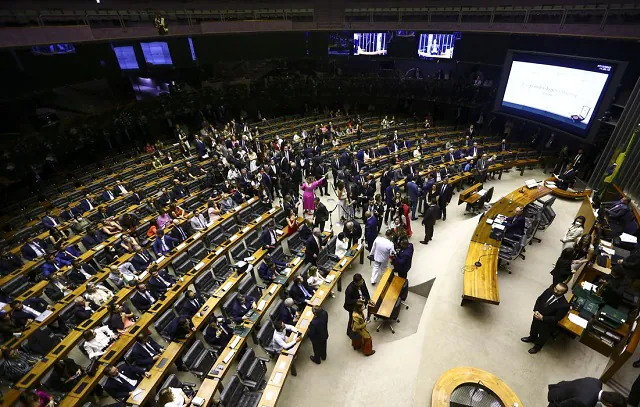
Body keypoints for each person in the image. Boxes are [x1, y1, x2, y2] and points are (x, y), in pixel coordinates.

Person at [521, 282, 569, 354]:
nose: (555, 291)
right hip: (537, 316)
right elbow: (539, 299)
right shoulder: (549, 291)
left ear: (564, 292)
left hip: (547, 324)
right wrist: (536, 310)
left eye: (559, 291)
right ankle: (532, 338)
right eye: (555, 288)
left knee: (542, 336)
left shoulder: (564, 305)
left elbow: (557, 318)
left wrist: (543, 318)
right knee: (533, 329)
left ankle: (537, 347)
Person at [548, 377, 626, 407]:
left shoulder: (597, 382)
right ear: (609, 406)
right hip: (557, 400)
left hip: (561, 387)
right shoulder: (585, 403)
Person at [344, 273, 370, 339]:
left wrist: (368, 299)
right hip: (352, 306)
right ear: (355, 282)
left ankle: (360, 327)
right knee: (352, 319)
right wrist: (357, 301)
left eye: (362, 281)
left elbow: (366, 292)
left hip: (360, 304)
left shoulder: (362, 282)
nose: (362, 283)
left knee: (360, 317)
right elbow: (347, 301)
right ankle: (349, 331)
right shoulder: (349, 289)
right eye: (360, 282)